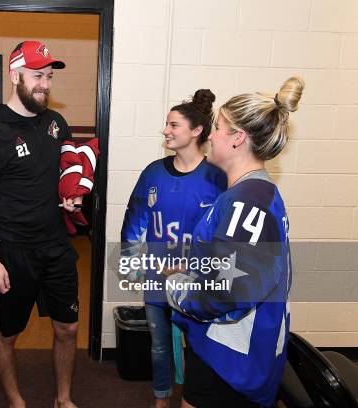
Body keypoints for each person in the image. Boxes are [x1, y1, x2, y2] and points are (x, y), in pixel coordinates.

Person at [166, 77, 304, 407]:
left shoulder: (249, 200)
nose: (210, 135)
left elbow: (229, 293)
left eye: (218, 127)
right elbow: (241, 266)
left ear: (238, 138)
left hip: (230, 357)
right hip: (229, 349)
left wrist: (176, 288)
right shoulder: (250, 192)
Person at [0, 40, 81, 408]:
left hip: (56, 246)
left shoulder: (56, 123)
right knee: (6, 333)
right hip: (12, 249)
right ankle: (16, 401)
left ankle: (62, 398)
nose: (45, 84)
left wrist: (72, 195)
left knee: (69, 327)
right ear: (15, 75)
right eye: (37, 75)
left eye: (49, 76)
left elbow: (68, 173)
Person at [120, 90, 226, 408]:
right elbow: (133, 222)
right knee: (160, 346)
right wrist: (134, 267)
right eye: (166, 124)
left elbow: (225, 236)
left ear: (196, 131)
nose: (166, 130)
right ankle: (161, 399)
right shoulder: (153, 172)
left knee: (199, 347)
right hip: (157, 278)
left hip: (196, 282)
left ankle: (193, 399)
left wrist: (199, 269)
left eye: (174, 125)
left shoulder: (217, 178)